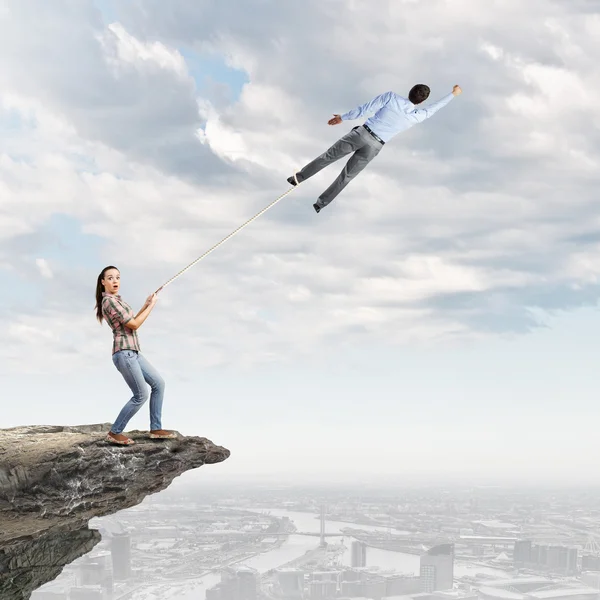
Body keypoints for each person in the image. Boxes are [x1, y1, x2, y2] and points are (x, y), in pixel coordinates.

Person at [287, 84, 462, 213]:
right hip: (375, 146)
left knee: (328, 157)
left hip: (361, 134)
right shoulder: (417, 115)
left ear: (410, 91)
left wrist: (343, 117)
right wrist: (453, 94)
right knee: (347, 176)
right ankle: (321, 203)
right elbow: (435, 108)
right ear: (422, 100)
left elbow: (365, 109)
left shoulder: (391, 97)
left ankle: (298, 179)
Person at [94, 265, 176, 446]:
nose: (115, 281)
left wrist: (146, 305)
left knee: (159, 384)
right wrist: (152, 306)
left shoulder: (118, 301)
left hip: (133, 352)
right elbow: (135, 325)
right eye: (110, 278)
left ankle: (156, 429)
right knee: (140, 395)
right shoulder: (109, 302)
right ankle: (115, 432)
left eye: (117, 277)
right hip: (124, 353)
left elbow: (132, 320)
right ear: (103, 282)